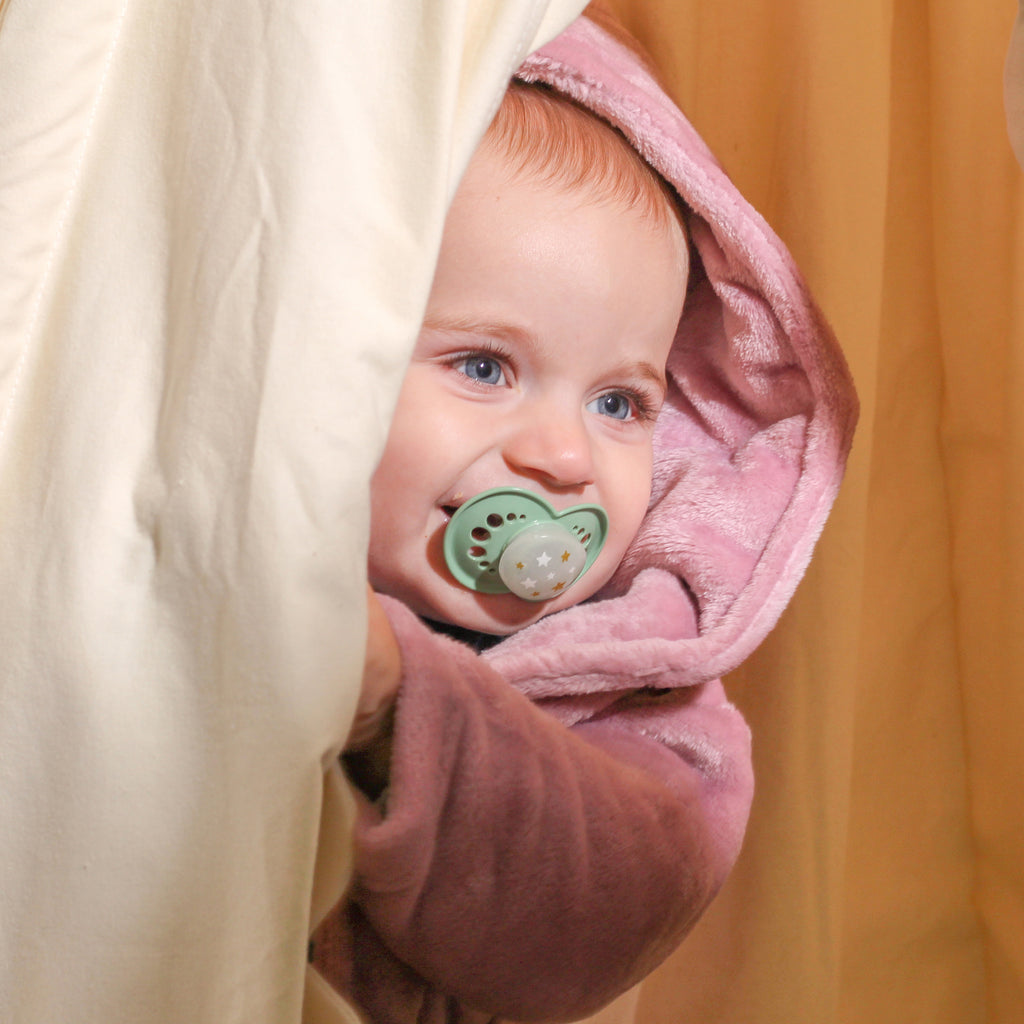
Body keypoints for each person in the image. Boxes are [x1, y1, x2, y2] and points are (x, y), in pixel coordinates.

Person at [308, 9, 858, 1023]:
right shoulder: (210, 549)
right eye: (484, 366)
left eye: (620, 403)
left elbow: (604, 908)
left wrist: (398, 697)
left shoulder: (642, 688)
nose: (564, 457)